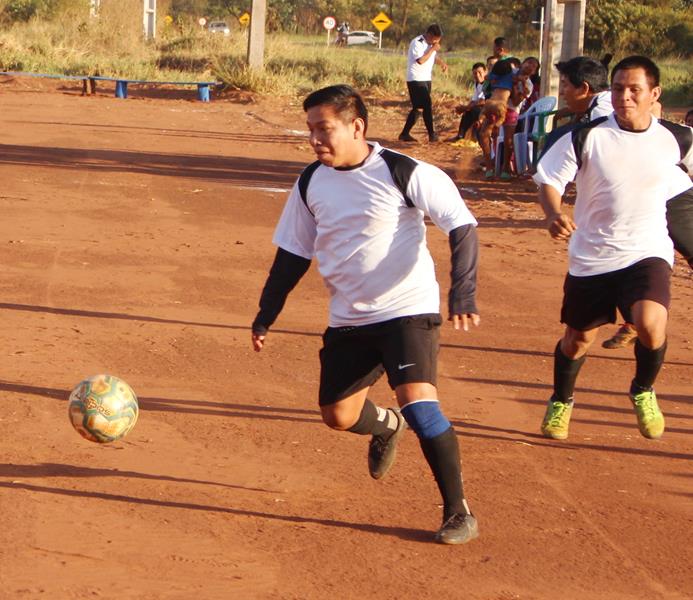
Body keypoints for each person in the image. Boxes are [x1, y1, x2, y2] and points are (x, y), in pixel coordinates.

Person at [252, 84, 481, 545]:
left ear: (357, 126)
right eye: (312, 130)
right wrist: (266, 313)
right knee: (337, 415)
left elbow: (461, 223)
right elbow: (293, 254)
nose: (316, 139)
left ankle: (458, 511)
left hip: (406, 308)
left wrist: (463, 293)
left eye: (325, 129)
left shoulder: (402, 171)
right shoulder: (311, 181)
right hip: (349, 318)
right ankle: (385, 425)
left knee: (419, 401)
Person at [532, 55, 693, 441]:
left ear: (654, 94)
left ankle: (642, 389)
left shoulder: (678, 138)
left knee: (651, 324)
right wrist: (553, 213)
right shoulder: (586, 136)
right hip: (592, 255)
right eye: (619, 88)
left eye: (634, 89)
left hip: (647, 249)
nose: (625, 96)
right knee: (577, 339)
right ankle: (562, 400)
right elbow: (549, 182)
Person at [399, 24, 448, 143]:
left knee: (418, 108)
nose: (436, 42)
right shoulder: (417, 42)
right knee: (427, 105)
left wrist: (442, 63)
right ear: (429, 34)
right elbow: (421, 60)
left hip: (426, 79)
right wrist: (432, 49)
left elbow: (432, 58)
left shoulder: (430, 45)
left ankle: (404, 134)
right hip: (416, 79)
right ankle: (432, 135)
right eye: (435, 39)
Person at [448, 62, 487, 143]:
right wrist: (465, 108)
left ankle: (474, 136)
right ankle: (460, 135)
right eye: (475, 73)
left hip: (488, 108)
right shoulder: (477, 84)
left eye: (480, 72)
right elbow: (474, 100)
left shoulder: (487, 84)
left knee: (472, 110)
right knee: (468, 111)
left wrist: (465, 108)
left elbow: (482, 101)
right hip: (481, 107)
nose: (477, 75)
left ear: (485, 72)